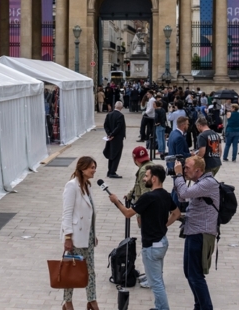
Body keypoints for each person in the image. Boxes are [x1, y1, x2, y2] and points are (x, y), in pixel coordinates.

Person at [109, 164, 180, 310]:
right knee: (158, 278)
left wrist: (116, 201)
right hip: (162, 242)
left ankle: (163, 308)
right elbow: (177, 213)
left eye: (146, 176)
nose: (144, 179)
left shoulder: (148, 197)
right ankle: (159, 306)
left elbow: (128, 213)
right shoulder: (166, 195)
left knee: (155, 283)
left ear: (154, 179)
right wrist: (164, 225)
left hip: (151, 246)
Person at [173, 156, 219, 310]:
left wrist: (179, 175)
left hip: (201, 234)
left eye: (187, 168)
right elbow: (182, 196)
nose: (185, 170)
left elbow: (184, 193)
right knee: (189, 273)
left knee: (196, 275)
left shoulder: (208, 183)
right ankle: (199, 306)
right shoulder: (199, 183)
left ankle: (206, 307)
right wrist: (179, 179)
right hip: (193, 231)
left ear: (198, 170)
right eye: (184, 167)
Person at [61, 156, 100, 310]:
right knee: (71, 269)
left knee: (90, 270)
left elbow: (90, 213)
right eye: (92, 167)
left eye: (94, 167)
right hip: (75, 236)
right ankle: (68, 302)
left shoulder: (87, 186)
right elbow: (67, 213)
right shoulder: (72, 186)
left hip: (88, 236)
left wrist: (93, 233)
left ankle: (92, 300)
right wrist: (68, 236)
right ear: (83, 169)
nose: (94, 170)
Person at [103, 101, 126, 178]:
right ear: (121, 108)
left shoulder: (109, 114)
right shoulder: (120, 116)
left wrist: (109, 134)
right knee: (116, 155)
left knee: (111, 154)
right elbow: (119, 127)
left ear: (114, 106)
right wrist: (113, 134)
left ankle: (109, 171)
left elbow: (105, 125)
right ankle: (112, 171)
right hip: (117, 138)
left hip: (110, 138)